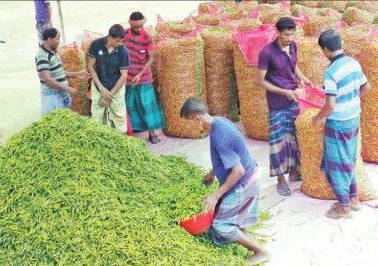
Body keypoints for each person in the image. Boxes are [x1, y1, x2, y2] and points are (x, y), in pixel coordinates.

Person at [180, 98, 270, 266]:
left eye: (189, 124)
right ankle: (252, 244)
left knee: (221, 225)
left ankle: (261, 252)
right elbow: (229, 156)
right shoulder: (219, 122)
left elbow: (238, 171)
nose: (191, 128)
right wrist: (213, 172)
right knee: (231, 220)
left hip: (244, 183)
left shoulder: (219, 136)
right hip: (250, 176)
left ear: (197, 119)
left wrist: (216, 194)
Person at [312, 29, 370, 219]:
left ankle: (344, 208)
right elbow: (366, 87)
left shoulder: (331, 72)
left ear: (325, 50)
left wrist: (318, 117)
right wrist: (351, 99)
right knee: (350, 158)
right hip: (353, 118)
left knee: (336, 163)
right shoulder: (354, 63)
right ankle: (354, 200)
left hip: (338, 122)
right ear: (341, 44)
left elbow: (330, 104)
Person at [256, 17, 312, 196]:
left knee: (294, 136)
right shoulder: (267, 53)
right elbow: (259, 80)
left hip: (294, 98)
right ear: (277, 32)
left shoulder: (293, 46)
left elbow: (293, 66)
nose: (289, 38)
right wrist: (283, 91)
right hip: (278, 103)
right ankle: (281, 179)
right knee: (278, 141)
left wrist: (303, 77)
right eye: (286, 34)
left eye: (292, 34)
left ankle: (294, 172)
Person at [123, 12, 165, 144]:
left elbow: (151, 58)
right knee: (130, 104)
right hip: (127, 77)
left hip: (144, 77)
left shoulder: (147, 37)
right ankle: (131, 131)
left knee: (147, 106)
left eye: (141, 26)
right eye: (136, 27)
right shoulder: (124, 35)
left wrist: (140, 74)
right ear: (131, 25)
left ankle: (152, 133)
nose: (139, 29)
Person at [36, 27, 89, 115]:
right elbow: (48, 80)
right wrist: (67, 88)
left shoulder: (54, 52)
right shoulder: (43, 56)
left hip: (59, 93)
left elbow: (59, 72)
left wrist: (77, 74)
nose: (59, 42)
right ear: (49, 39)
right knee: (54, 121)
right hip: (51, 96)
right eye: (57, 39)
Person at [87, 24, 130, 134]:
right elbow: (91, 67)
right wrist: (101, 89)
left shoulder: (123, 50)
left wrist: (108, 95)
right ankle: (99, 140)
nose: (120, 44)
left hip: (116, 88)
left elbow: (124, 75)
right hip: (99, 85)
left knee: (118, 115)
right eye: (118, 41)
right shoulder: (96, 45)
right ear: (110, 37)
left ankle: (121, 140)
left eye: (122, 41)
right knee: (97, 116)